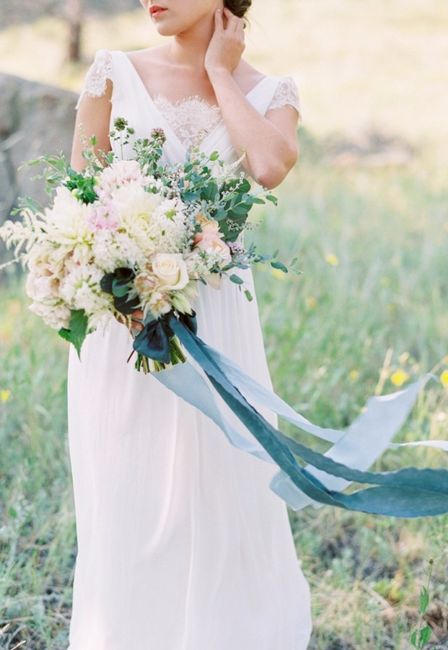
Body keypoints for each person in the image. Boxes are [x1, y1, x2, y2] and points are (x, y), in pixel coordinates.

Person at [67, 1, 313, 648]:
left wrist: (222, 75)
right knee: (129, 495)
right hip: (125, 323)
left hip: (219, 322)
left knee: (225, 494)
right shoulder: (111, 74)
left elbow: (269, 166)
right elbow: (79, 204)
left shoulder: (270, 91)